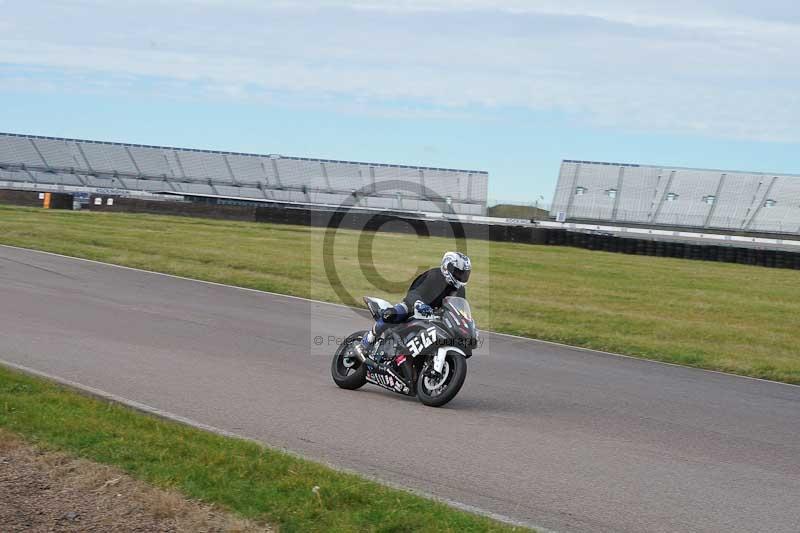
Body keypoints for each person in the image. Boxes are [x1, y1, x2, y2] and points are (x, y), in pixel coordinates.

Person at [353, 251, 471, 362]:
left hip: (436, 318)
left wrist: (465, 322)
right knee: (393, 313)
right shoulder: (433, 276)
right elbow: (414, 292)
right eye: (457, 272)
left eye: (463, 274)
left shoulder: (460, 290)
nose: (460, 276)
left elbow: (458, 308)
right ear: (447, 266)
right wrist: (418, 303)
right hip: (414, 308)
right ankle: (366, 342)